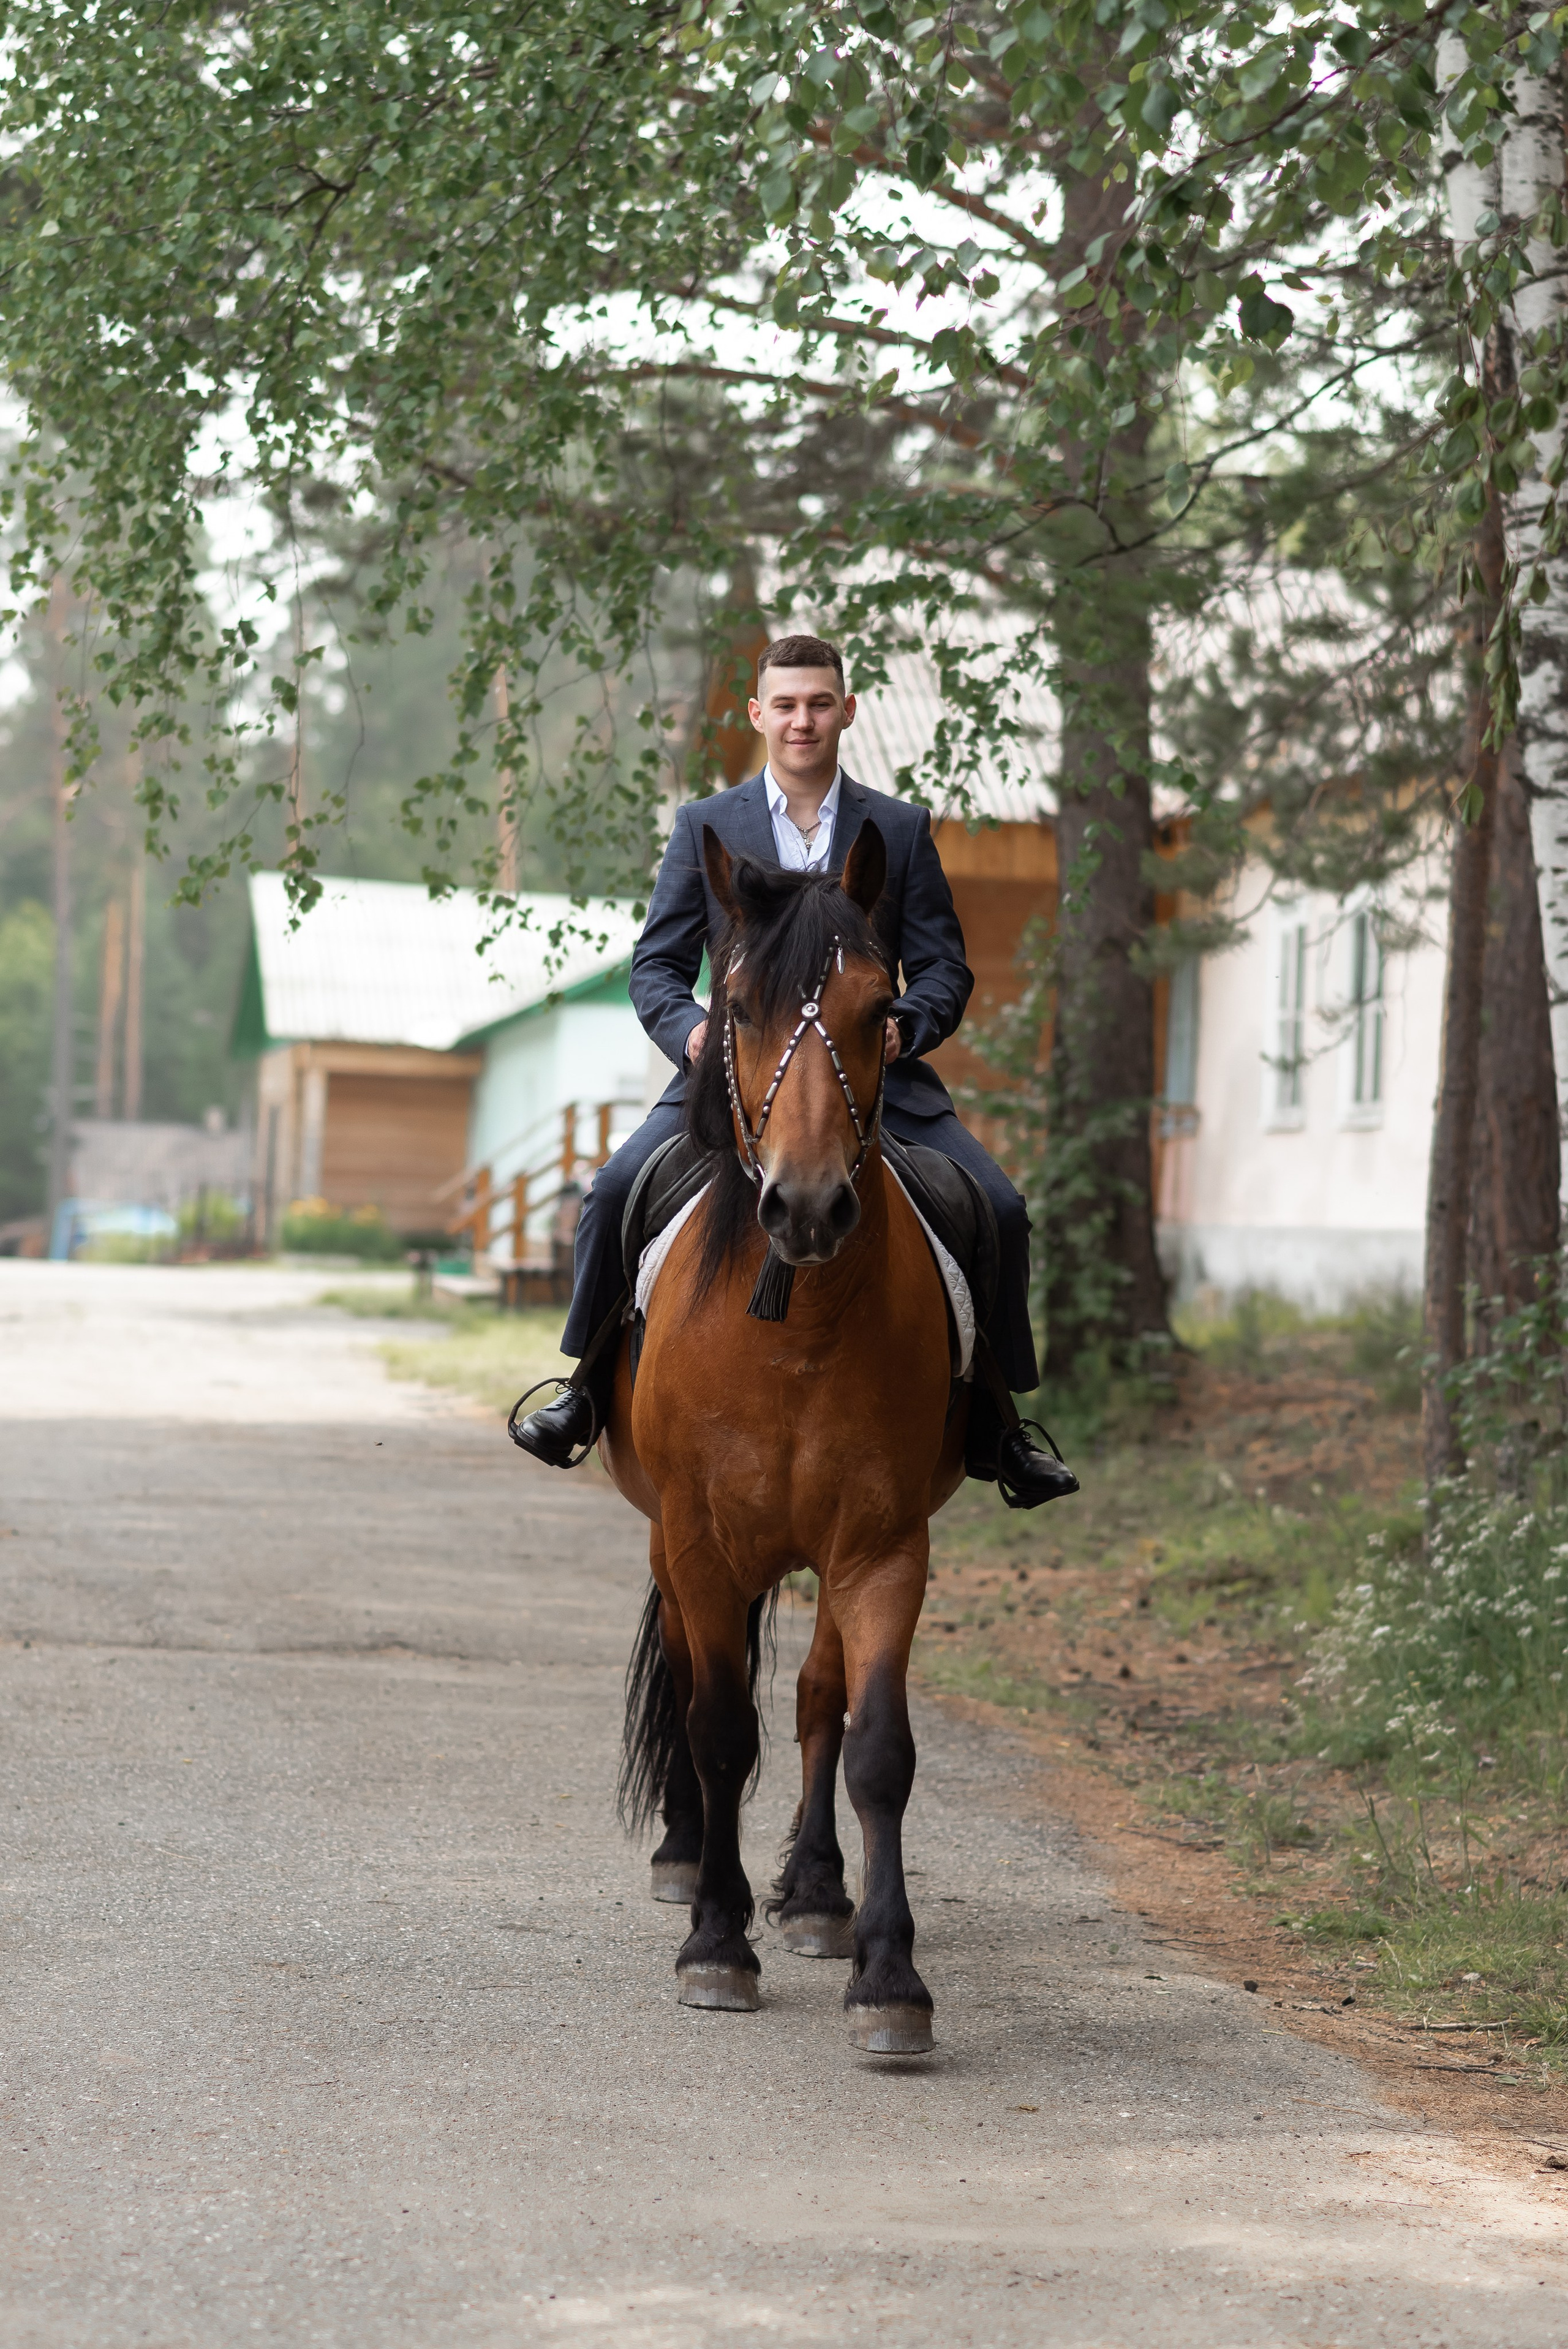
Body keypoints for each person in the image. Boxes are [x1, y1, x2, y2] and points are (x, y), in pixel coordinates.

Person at [512, 633, 1077, 1507]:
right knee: (613, 1191)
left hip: (870, 1085)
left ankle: (1001, 1426)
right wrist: (693, 1032)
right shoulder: (706, 825)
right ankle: (584, 1393)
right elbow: (655, 967)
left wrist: (907, 1028)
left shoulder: (898, 829)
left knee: (999, 1207)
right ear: (758, 716)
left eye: (819, 703)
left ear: (847, 711)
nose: (802, 719)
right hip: (731, 1079)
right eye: (785, 705)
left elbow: (944, 969)